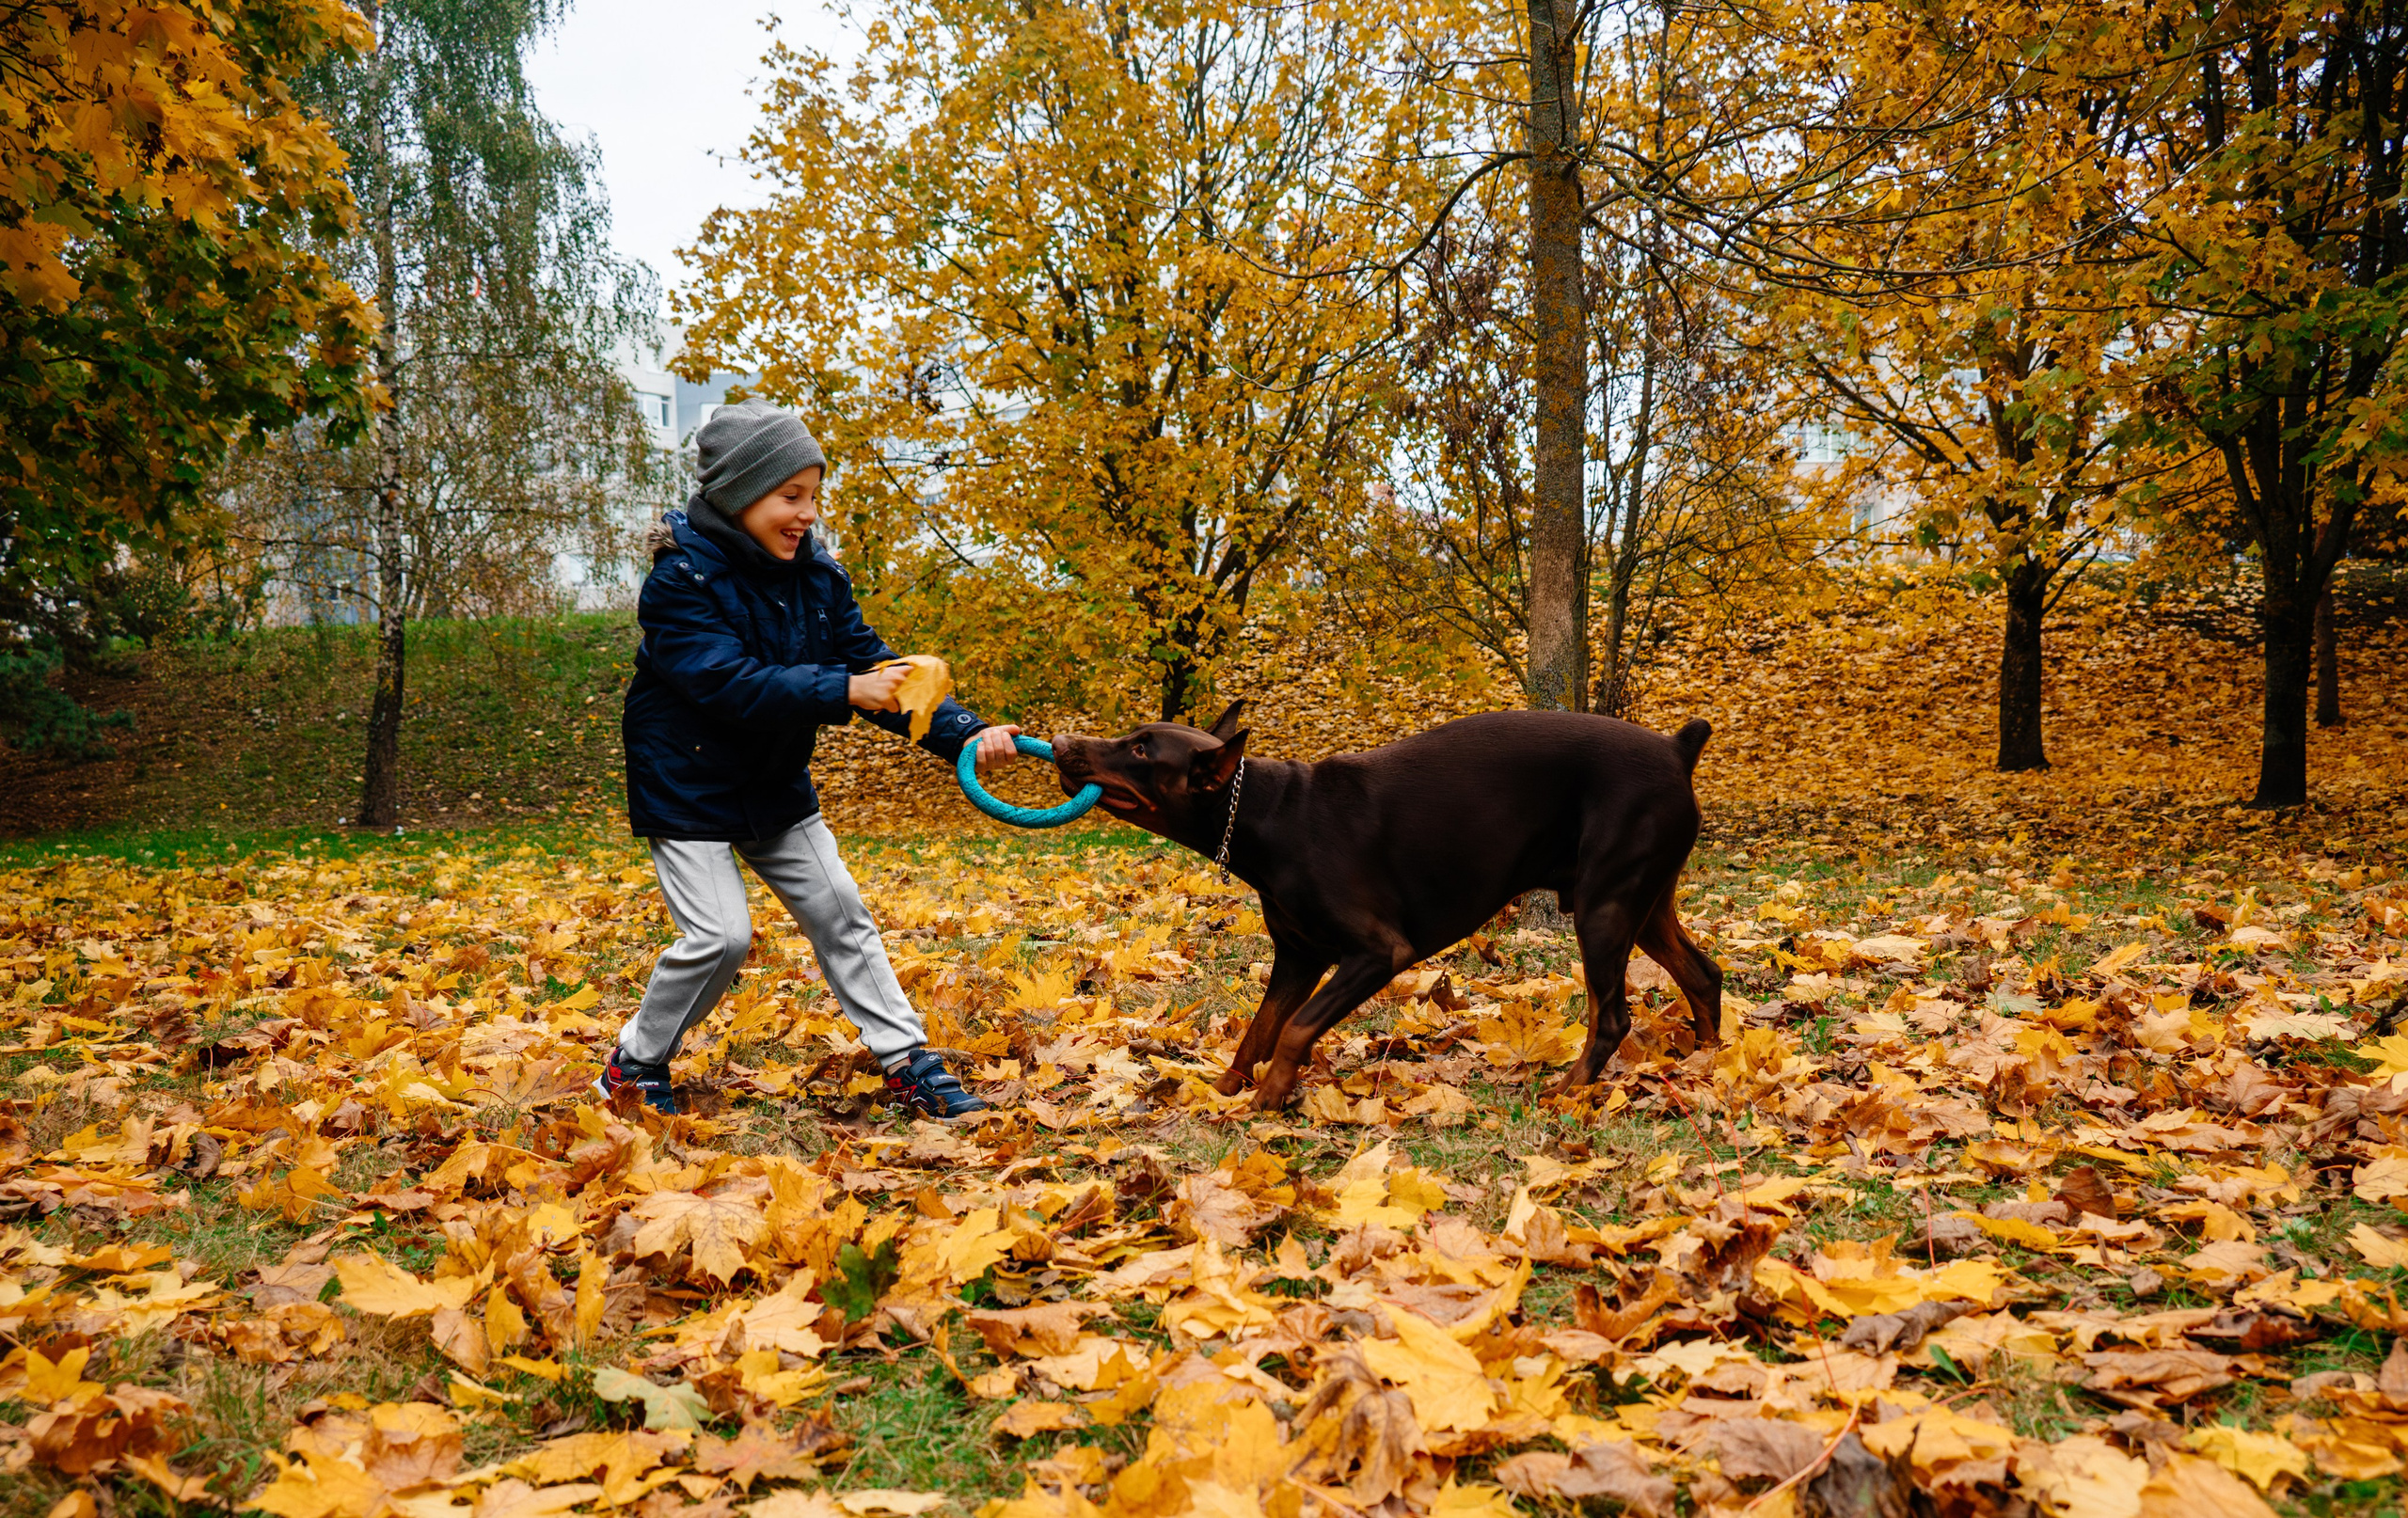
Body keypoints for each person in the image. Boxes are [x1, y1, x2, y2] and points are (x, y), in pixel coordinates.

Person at [601, 398, 1015, 1118]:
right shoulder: (679, 582)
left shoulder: (816, 576)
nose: (808, 514)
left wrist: (963, 733)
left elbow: (870, 663)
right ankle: (634, 1065)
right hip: (686, 783)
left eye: (813, 496)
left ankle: (906, 1061)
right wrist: (845, 690)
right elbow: (727, 684)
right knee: (720, 938)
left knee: (841, 914)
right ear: (740, 495)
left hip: (773, 782)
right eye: (791, 496)